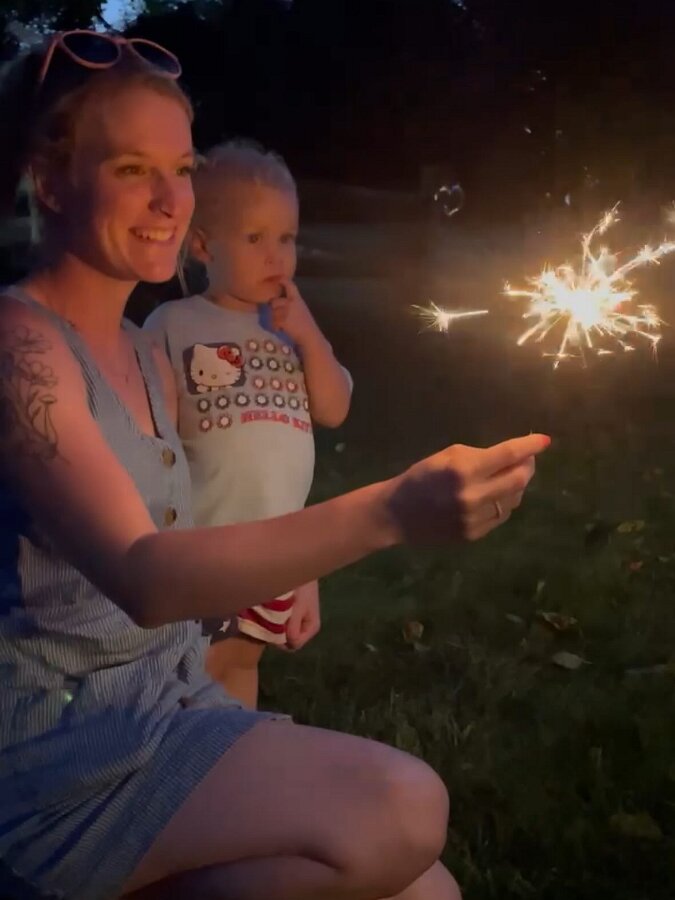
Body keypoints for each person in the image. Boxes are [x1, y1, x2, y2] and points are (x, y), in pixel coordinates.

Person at [0, 30, 550, 900]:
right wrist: (388, 512)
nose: (170, 200)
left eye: (181, 170)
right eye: (132, 168)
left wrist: (299, 560)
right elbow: (143, 573)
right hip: (63, 752)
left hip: (171, 696)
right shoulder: (21, 345)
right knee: (402, 808)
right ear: (50, 179)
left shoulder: (144, 352)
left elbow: (199, 509)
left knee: (429, 890)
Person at [145, 140, 352, 707]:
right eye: (255, 239)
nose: (276, 257)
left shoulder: (292, 328)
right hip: (205, 546)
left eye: (286, 238)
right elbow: (149, 439)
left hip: (276, 552)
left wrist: (308, 334)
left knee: (240, 663)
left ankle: (234, 746)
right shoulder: (174, 323)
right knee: (192, 672)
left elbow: (334, 408)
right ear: (203, 246)